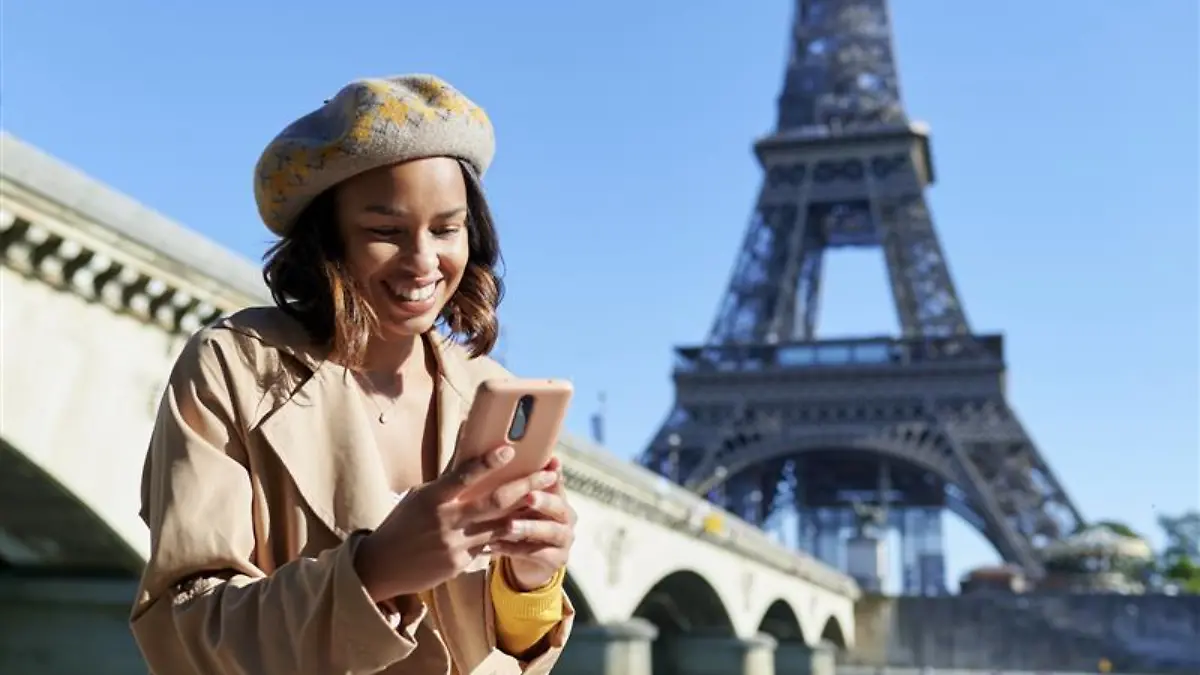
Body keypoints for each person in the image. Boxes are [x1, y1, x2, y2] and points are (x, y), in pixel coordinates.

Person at [130, 74, 576, 675]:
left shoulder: (484, 388)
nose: (424, 261)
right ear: (328, 240)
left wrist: (531, 582)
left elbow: (510, 646)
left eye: (447, 229)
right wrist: (374, 571)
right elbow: (182, 632)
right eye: (385, 232)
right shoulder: (235, 366)